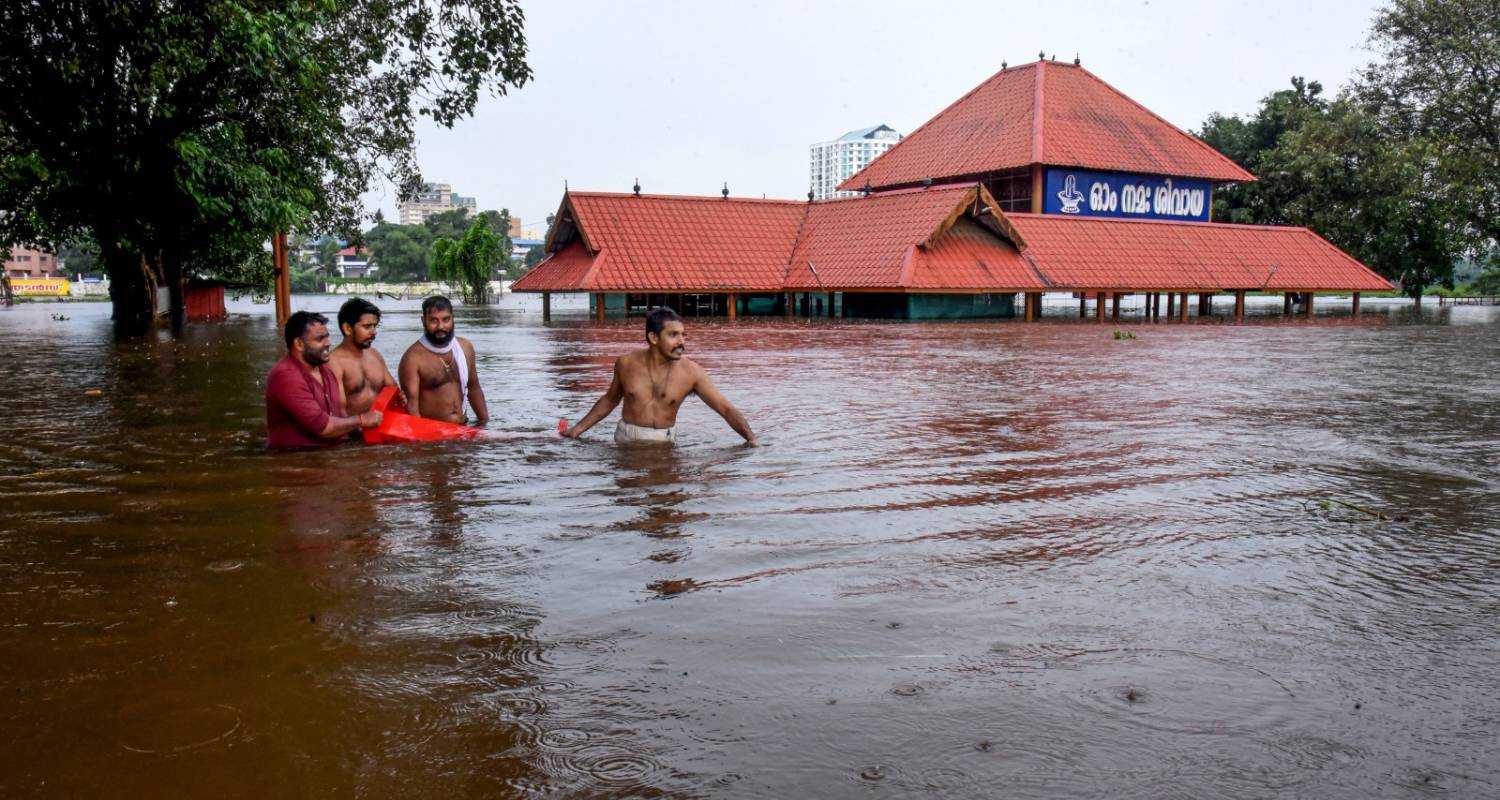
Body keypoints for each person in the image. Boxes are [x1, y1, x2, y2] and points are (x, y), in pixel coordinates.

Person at [561, 307, 756, 445]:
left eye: (683, 335)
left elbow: (726, 409)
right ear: (653, 337)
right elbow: (609, 401)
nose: (681, 342)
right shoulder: (625, 364)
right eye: (673, 335)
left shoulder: (692, 372)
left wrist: (752, 440)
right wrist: (576, 430)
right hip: (627, 440)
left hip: (664, 442)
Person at [266, 310, 382, 449]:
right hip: (296, 459)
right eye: (320, 339)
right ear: (299, 344)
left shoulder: (323, 368)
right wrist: (362, 420)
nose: (328, 343)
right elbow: (323, 428)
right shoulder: (286, 376)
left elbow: (337, 416)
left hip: (328, 453)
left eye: (327, 337)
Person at [398, 296, 488, 426]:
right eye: (434, 321)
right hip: (434, 436)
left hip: (463, 428)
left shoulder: (465, 348)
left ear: (453, 318)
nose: (441, 326)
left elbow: (474, 389)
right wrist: (420, 443)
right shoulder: (412, 359)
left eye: (446, 320)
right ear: (423, 321)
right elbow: (412, 407)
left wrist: (484, 424)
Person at [328, 297, 401, 415]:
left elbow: (393, 390)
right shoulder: (333, 363)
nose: (373, 332)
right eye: (367, 327)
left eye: (375, 326)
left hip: (381, 428)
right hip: (352, 431)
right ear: (347, 328)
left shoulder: (375, 355)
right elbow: (338, 412)